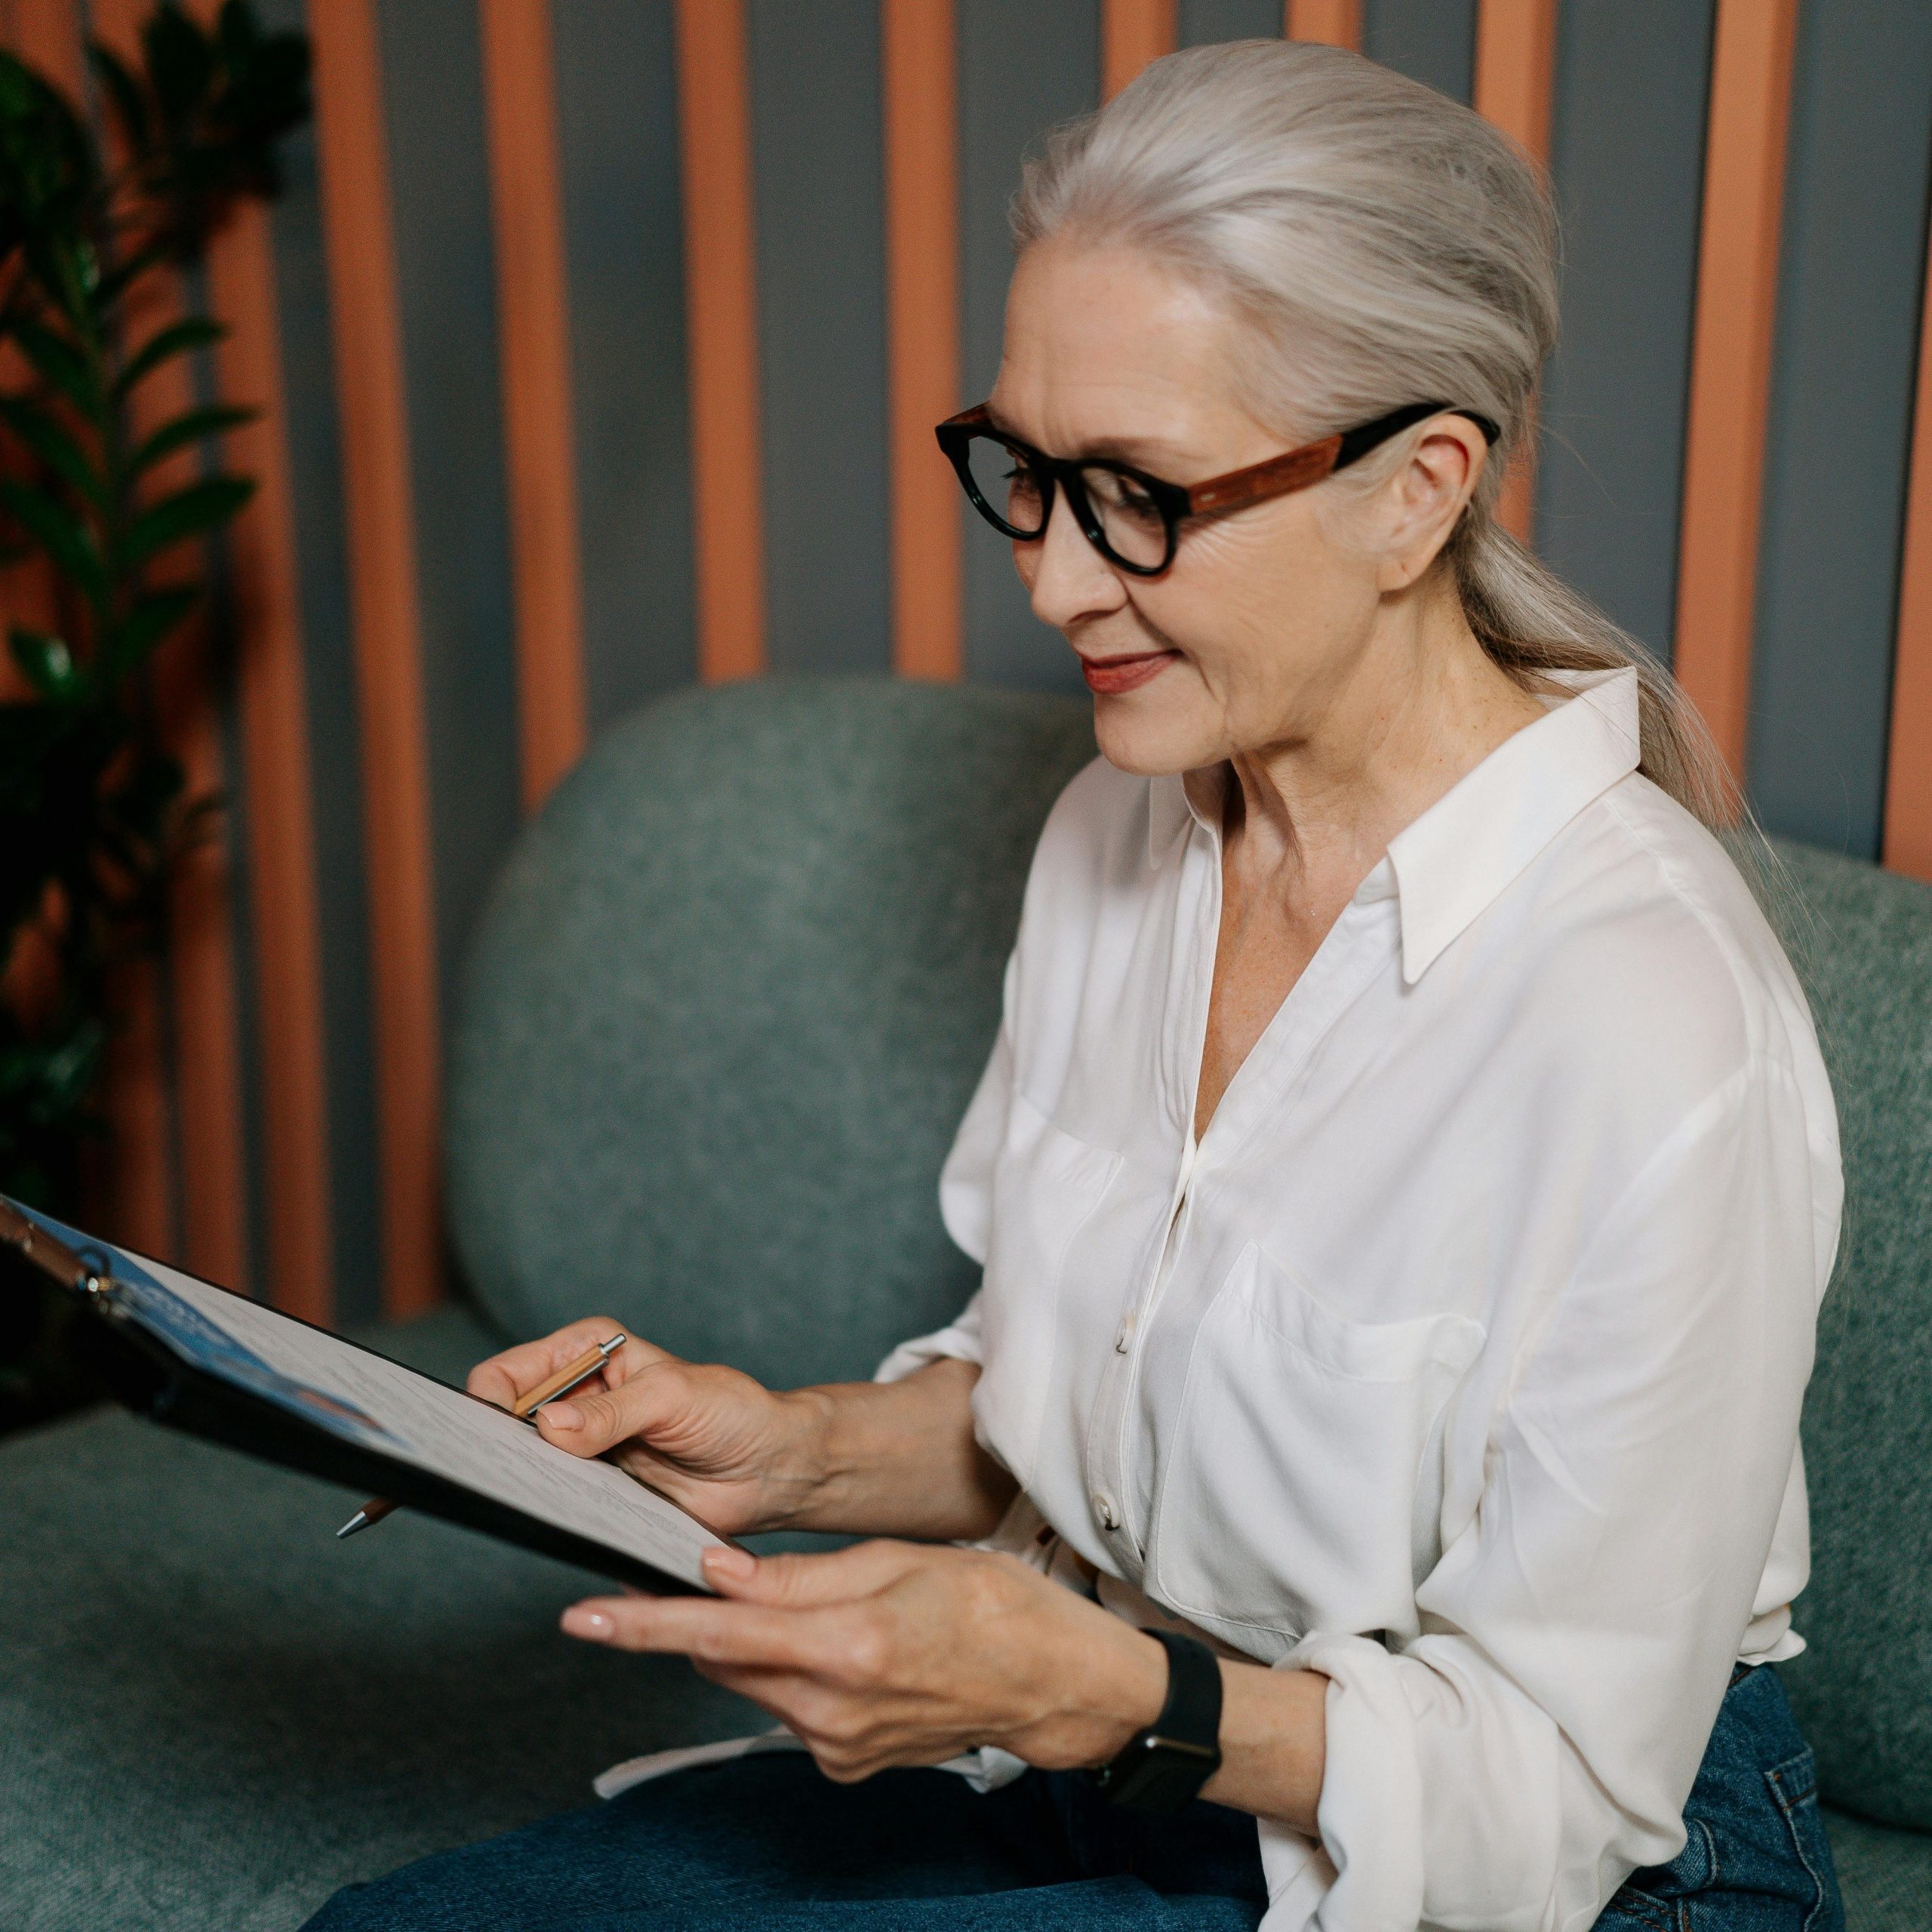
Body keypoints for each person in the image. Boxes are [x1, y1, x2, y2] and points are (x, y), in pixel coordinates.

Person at [308, 37, 1844, 1932]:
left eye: (1134, 493)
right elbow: (1072, 1407)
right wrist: (781, 1446)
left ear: (1413, 490)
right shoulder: (1121, 834)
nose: (1050, 583)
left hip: (1552, 1867)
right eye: (1024, 474)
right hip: (1121, 1748)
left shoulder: (1652, 1017)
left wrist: (1096, 1690)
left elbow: (1547, 1795)